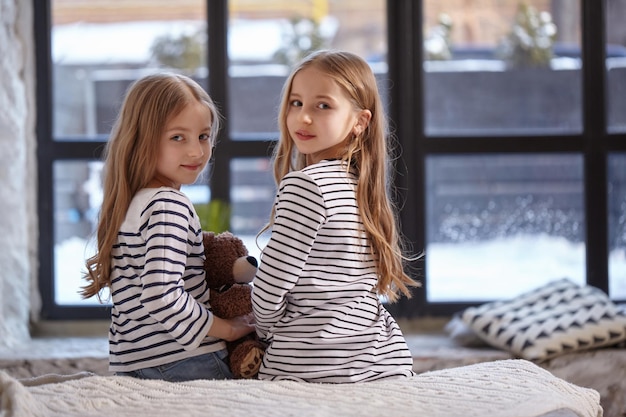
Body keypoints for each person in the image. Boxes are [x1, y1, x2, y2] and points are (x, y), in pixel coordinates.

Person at [251, 50, 420, 383]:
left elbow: (269, 289)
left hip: (307, 365)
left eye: (322, 106)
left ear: (360, 121)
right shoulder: (362, 186)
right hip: (381, 362)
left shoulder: (305, 184)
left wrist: (262, 333)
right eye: (296, 103)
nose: (303, 117)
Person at [81, 73, 255, 382]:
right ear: (142, 141)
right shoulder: (168, 204)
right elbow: (162, 294)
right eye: (178, 137)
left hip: (131, 363)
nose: (196, 152)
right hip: (187, 361)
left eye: (203, 136)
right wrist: (227, 329)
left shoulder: (130, 203)